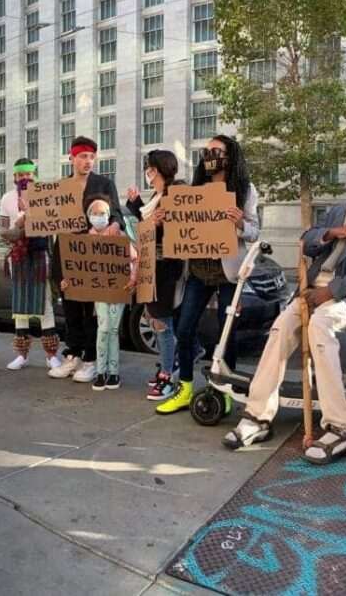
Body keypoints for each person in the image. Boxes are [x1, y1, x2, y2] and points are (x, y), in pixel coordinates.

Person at [222, 167, 346, 464]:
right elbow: (307, 239)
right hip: (310, 291)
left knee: (320, 325)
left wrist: (330, 292)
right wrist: (330, 233)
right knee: (280, 328)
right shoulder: (337, 212)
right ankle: (257, 415)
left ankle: (340, 426)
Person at [155, 135, 261, 415]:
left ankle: (225, 391)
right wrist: (168, 220)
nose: (210, 155)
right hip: (199, 272)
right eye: (207, 151)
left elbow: (254, 232)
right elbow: (180, 226)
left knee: (226, 334)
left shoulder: (245, 190)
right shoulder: (195, 189)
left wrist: (239, 222)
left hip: (228, 274)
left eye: (217, 151)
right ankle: (186, 386)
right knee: (185, 329)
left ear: (230, 156)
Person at [48, 137, 125, 383]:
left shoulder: (104, 184)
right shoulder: (61, 187)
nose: (88, 161)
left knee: (91, 309)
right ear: (71, 158)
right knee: (70, 305)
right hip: (66, 253)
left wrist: (114, 225)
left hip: (94, 257)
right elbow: (49, 219)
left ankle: (92, 359)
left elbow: (118, 216)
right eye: (83, 156)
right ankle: (73, 355)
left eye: (92, 157)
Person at [127, 149, 188, 401]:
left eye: (150, 169)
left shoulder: (176, 193)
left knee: (162, 323)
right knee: (155, 319)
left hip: (168, 268)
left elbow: (179, 228)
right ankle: (175, 361)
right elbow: (148, 226)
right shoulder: (157, 196)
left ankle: (168, 374)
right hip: (153, 265)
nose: (148, 174)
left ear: (159, 169)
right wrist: (136, 205)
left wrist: (163, 222)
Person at [0, 158, 63, 372]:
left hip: (39, 253)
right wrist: (20, 221)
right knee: (20, 307)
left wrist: (32, 213)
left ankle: (51, 356)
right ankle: (21, 355)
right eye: (21, 175)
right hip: (18, 256)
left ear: (34, 175)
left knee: (45, 305)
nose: (25, 178)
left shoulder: (45, 197)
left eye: (29, 174)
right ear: (14, 177)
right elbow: (4, 233)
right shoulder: (7, 199)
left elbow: (52, 227)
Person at [74, 196, 137, 391]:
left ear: (108, 216)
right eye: (95, 213)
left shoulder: (119, 238)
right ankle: (101, 371)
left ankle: (114, 372)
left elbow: (134, 258)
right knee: (103, 329)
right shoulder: (86, 240)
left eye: (102, 213)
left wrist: (132, 278)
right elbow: (77, 266)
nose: (98, 216)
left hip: (117, 290)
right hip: (99, 290)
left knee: (113, 330)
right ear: (88, 216)